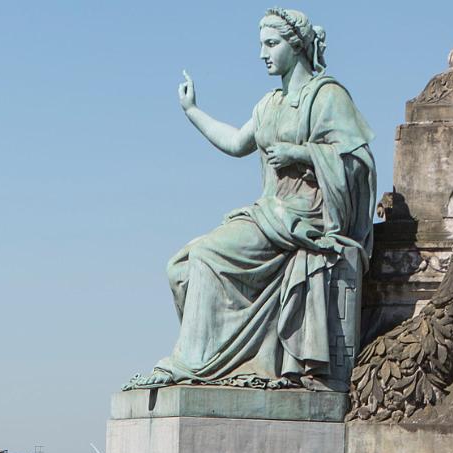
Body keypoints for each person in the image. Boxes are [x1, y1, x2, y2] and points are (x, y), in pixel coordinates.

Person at [131, 7, 375, 390]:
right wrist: (192, 111)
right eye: (261, 44)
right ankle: (225, 362)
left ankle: (193, 363)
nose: (263, 53)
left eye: (271, 43)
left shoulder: (327, 96)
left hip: (304, 216)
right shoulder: (269, 104)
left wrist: (303, 154)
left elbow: (357, 162)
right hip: (270, 212)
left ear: (295, 47)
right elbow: (235, 142)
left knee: (207, 256)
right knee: (179, 267)